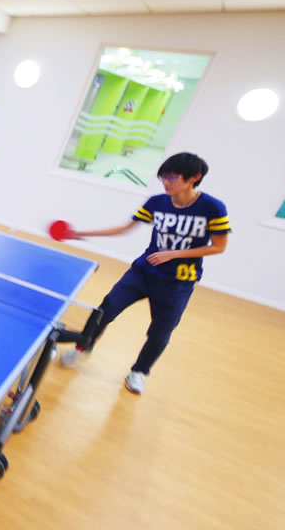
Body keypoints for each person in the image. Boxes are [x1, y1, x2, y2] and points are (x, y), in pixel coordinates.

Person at [59, 152, 230, 395]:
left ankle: (139, 372)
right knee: (104, 310)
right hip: (144, 272)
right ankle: (81, 348)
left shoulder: (212, 208)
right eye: (163, 177)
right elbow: (124, 228)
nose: (165, 183)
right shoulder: (157, 202)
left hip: (178, 283)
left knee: (160, 333)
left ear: (194, 178)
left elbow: (218, 246)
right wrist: (81, 233)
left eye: (172, 178)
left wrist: (173, 254)